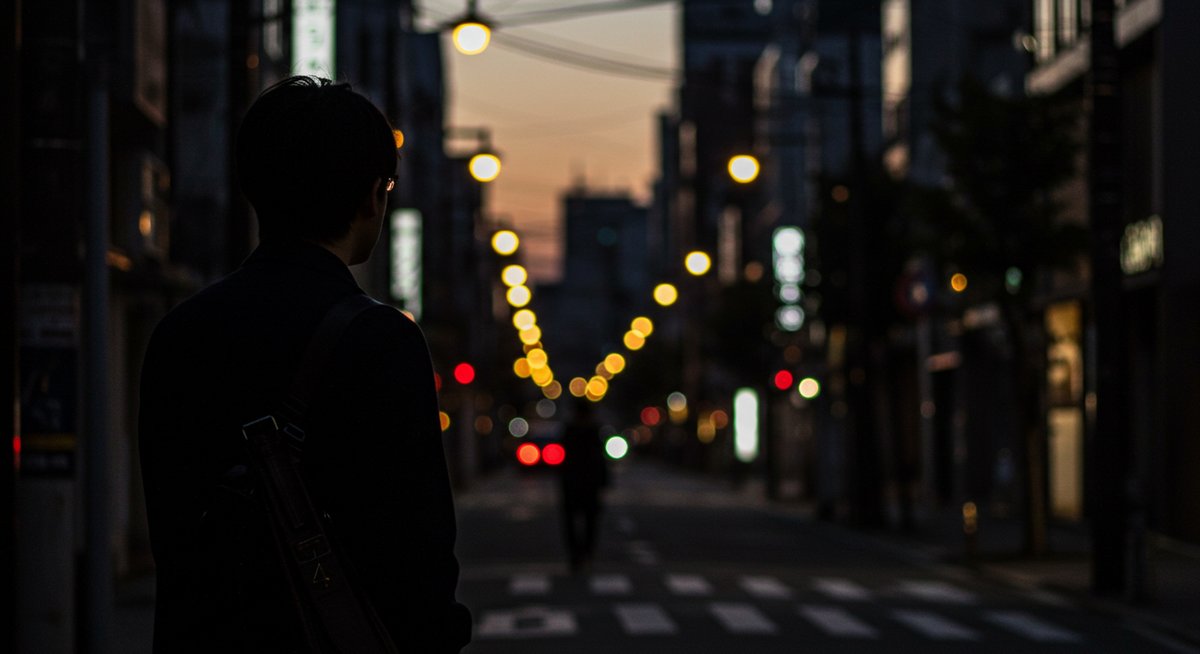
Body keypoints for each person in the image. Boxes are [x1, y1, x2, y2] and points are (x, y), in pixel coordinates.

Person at [138, 76, 471, 652]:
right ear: (373, 196)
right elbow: (418, 549)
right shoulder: (383, 340)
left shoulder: (178, 333)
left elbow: (170, 531)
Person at [557, 400, 610, 572]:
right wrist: (604, 481)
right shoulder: (593, 431)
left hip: (573, 482)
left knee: (572, 521)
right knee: (590, 521)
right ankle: (586, 553)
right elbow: (601, 460)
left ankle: (576, 555)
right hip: (588, 483)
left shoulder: (570, 431)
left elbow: (563, 459)